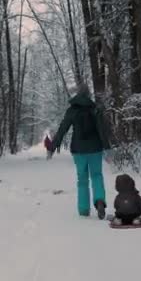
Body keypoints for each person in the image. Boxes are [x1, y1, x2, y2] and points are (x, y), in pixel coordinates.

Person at [48, 88, 110, 219]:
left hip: (79, 150)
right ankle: (99, 200)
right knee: (97, 175)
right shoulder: (95, 109)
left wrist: (52, 147)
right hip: (95, 149)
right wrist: (108, 148)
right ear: (88, 96)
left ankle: (83, 209)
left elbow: (62, 129)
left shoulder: (72, 111)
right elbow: (102, 130)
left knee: (82, 180)